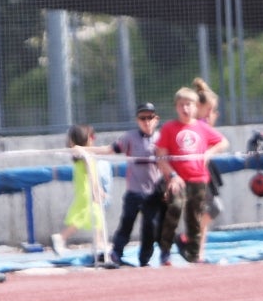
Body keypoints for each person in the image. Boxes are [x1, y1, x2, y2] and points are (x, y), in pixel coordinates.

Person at [155, 87, 229, 265]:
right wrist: (172, 175)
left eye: (189, 105)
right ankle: (165, 252)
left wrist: (209, 153)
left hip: (199, 179)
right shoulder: (169, 128)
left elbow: (223, 142)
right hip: (178, 180)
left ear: (196, 107)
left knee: (195, 218)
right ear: (176, 107)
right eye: (181, 105)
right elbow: (160, 157)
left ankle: (195, 257)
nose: (185, 109)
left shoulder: (202, 128)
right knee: (174, 210)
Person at [92, 103, 165, 267]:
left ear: (156, 119)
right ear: (137, 120)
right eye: (142, 118)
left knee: (151, 227)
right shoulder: (130, 137)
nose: (146, 122)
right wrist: (86, 149)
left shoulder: (161, 138)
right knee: (127, 223)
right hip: (134, 191)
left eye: (150, 118)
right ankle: (117, 253)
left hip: (154, 193)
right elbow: (110, 149)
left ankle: (144, 259)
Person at [51, 124, 110, 255]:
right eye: (91, 137)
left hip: (84, 189)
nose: (93, 139)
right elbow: (91, 173)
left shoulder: (81, 153)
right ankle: (61, 238)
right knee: (82, 217)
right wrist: (97, 190)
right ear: (85, 139)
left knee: (96, 216)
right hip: (87, 191)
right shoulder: (85, 154)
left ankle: (98, 242)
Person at [193, 77, 224, 261]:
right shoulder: (196, 126)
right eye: (209, 109)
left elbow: (218, 141)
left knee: (209, 210)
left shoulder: (203, 125)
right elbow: (219, 141)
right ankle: (191, 242)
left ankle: (198, 253)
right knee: (211, 208)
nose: (211, 113)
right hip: (196, 173)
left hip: (205, 171)